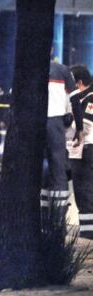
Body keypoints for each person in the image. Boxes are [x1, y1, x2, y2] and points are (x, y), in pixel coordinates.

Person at [43, 59, 81, 216]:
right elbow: (75, 101)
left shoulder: (27, 67)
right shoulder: (63, 70)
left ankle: (41, 216)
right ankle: (58, 220)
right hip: (56, 123)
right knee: (59, 171)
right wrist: (78, 128)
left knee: (37, 171)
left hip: (33, 125)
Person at [69, 65, 93, 238]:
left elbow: (84, 127)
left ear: (79, 83)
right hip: (84, 150)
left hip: (87, 150)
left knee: (84, 192)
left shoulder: (90, 99)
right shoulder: (83, 98)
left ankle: (88, 234)